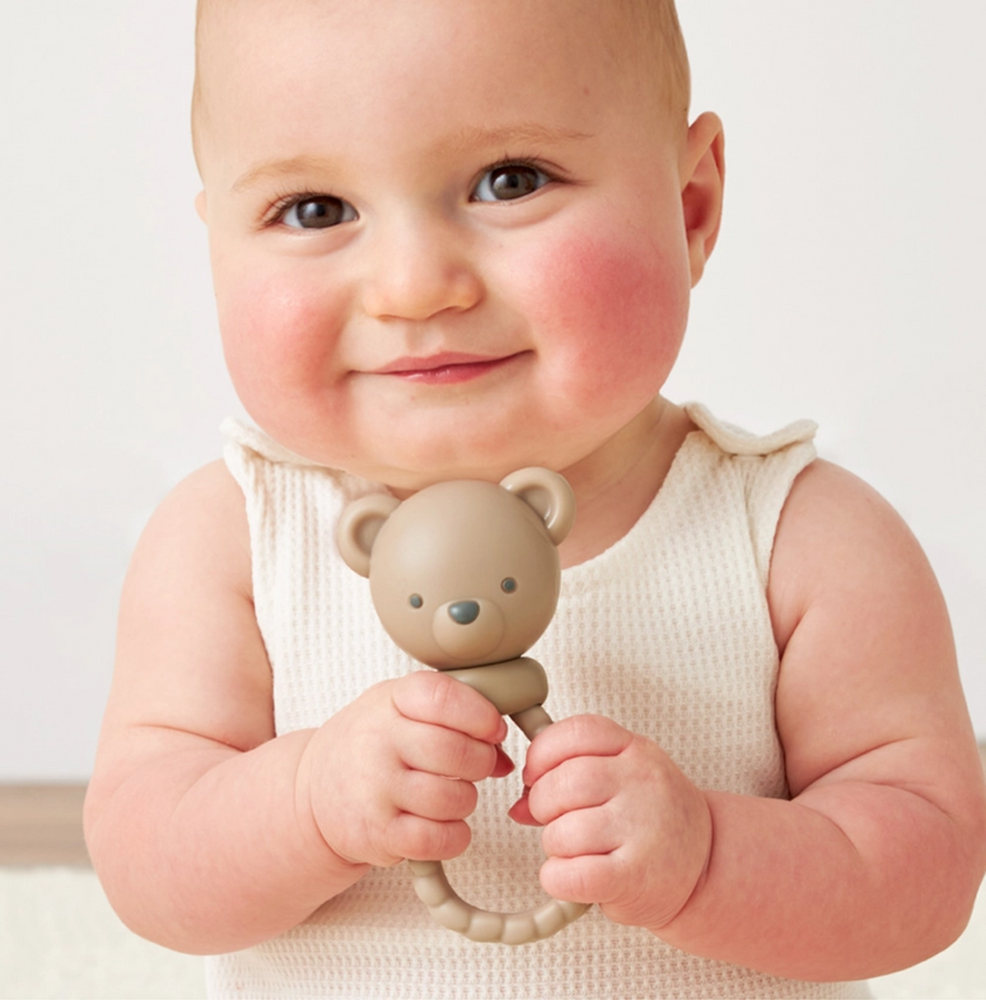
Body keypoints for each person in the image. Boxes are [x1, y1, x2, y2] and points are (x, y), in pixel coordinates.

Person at [83, 0, 986, 997]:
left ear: (689, 207)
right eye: (314, 209)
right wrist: (304, 800)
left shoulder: (800, 538)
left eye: (508, 181)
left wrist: (712, 855)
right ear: (217, 244)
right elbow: (146, 858)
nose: (413, 286)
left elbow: (927, 870)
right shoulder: (230, 542)